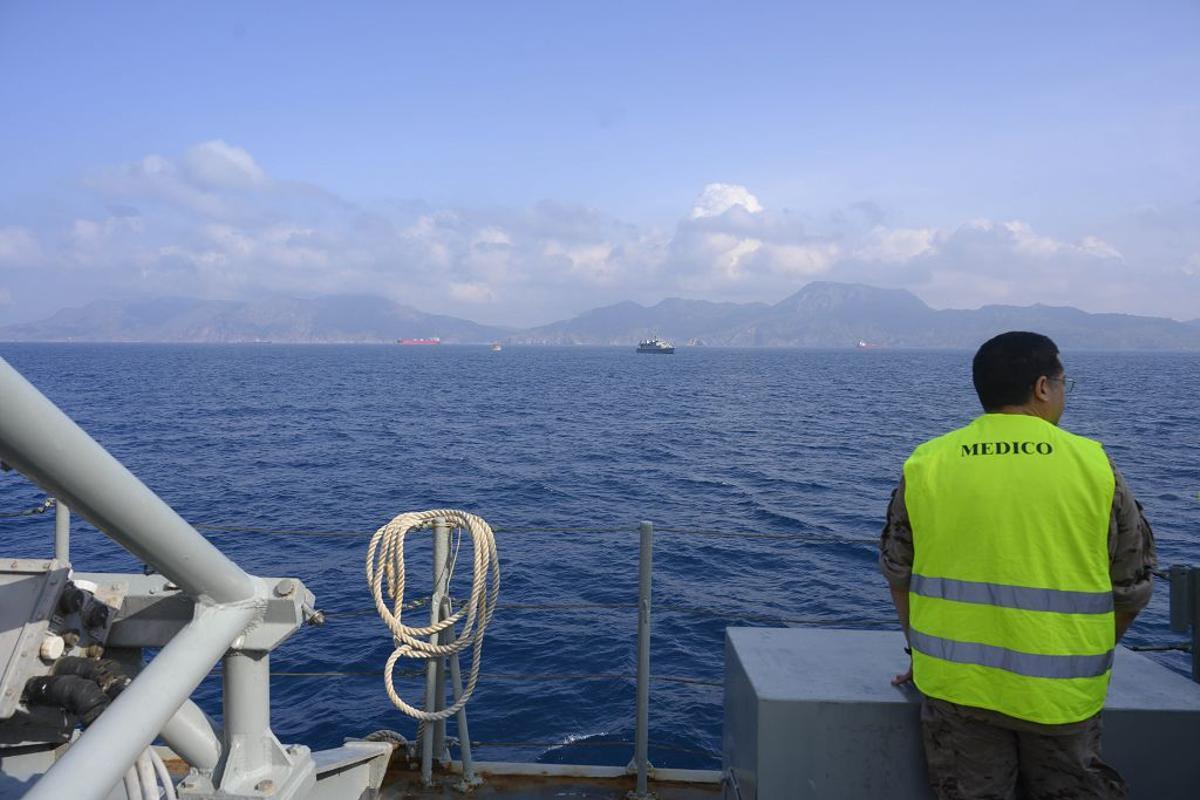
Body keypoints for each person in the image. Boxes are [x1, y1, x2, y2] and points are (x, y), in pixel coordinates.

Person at [879, 331, 1156, 799]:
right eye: (1066, 383)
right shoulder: (1094, 466)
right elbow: (1133, 585)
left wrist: (921, 654)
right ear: (1043, 387)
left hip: (956, 689)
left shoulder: (927, 463)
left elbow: (898, 571)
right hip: (1061, 700)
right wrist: (1078, 652)